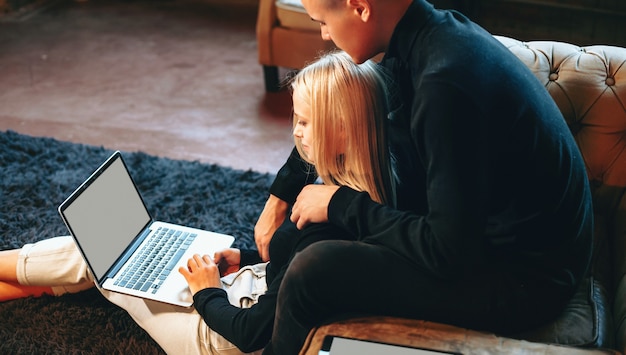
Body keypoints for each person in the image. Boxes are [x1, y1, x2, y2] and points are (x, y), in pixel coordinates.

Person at [255, 0, 594, 354]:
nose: (324, 33)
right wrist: (279, 197)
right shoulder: (427, 35)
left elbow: (447, 253)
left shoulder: (443, 82)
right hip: (505, 239)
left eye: (323, 21)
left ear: (359, 7)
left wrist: (342, 204)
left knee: (313, 271)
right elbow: (339, 111)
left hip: (528, 277)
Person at [0, 51, 394, 355]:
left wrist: (207, 292)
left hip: (220, 338)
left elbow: (252, 331)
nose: (295, 132)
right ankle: (19, 282)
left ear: (342, 129)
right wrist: (244, 259)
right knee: (118, 253)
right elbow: (291, 271)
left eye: (306, 122)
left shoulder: (327, 232)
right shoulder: (364, 191)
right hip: (247, 285)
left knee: (108, 256)